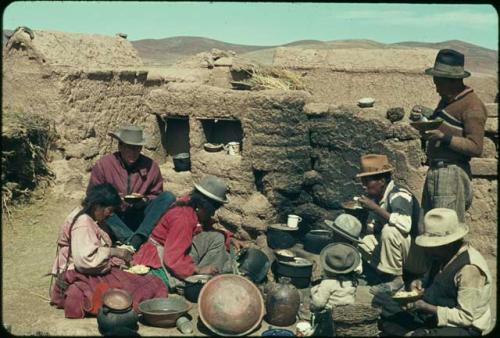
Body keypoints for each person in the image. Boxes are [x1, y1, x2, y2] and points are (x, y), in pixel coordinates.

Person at [50, 183, 167, 319]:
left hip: (89, 266)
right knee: (141, 286)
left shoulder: (86, 215)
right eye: (109, 210)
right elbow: (86, 261)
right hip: (83, 270)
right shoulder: (82, 223)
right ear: (97, 206)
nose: (110, 215)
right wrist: (114, 252)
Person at [379, 208, 491, 337]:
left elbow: (466, 317)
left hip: (463, 327)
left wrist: (426, 307)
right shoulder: (441, 255)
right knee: (384, 303)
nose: (428, 250)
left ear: (448, 244)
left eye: (433, 246)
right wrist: (419, 282)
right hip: (433, 313)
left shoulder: (470, 269)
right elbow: (431, 279)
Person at [132, 175, 247, 291]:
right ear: (203, 207)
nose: (212, 215)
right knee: (216, 239)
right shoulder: (183, 218)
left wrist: (228, 238)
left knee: (218, 237)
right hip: (159, 258)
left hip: (169, 251)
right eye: (212, 211)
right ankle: (199, 282)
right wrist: (197, 270)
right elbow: (173, 258)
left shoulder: (191, 204)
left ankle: (207, 277)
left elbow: (205, 228)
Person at [411, 49, 487, 223]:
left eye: (438, 83)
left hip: (451, 175)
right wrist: (424, 117)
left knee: (444, 233)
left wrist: (443, 138)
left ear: (453, 81)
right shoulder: (448, 101)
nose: (436, 89)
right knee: (429, 231)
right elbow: (446, 123)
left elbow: (476, 147)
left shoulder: (472, 106)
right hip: (438, 171)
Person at [87, 125, 176, 250]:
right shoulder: (104, 165)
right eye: (129, 148)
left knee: (168, 197)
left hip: (140, 216)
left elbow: (156, 194)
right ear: (120, 146)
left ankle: (137, 239)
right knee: (101, 209)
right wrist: (114, 199)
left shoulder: (151, 166)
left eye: (137, 148)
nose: (133, 152)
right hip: (114, 217)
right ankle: (132, 241)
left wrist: (144, 200)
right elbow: (92, 195)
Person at [354, 154, 425, 295]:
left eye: (367, 181)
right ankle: (388, 276)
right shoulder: (380, 198)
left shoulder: (399, 194)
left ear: (381, 180)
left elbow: (404, 225)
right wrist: (360, 219)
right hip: (403, 256)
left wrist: (375, 208)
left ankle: (397, 280)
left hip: (418, 257)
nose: (363, 185)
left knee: (390, 230)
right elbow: (374, 230)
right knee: (361, 239)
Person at [308, 243, 361, 337]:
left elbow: (319, 303)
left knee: (311, 310)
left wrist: (313, 291)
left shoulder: (327, 283)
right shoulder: (352, 280)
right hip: (347, 312)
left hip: (330, 315)